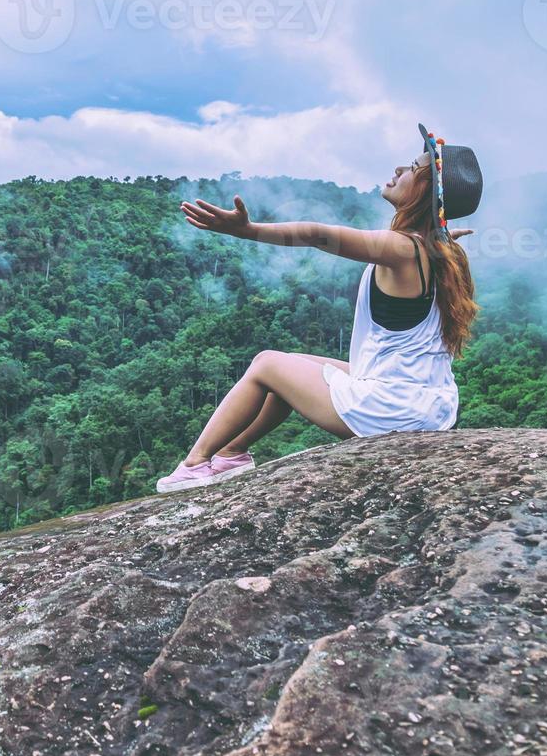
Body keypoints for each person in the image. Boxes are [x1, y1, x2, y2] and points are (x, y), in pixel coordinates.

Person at [157, 123, 484, 493]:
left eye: (412, 167)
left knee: (267, 362)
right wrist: (442, 241)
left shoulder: (403, 249)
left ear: (425, 192)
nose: (399, 169)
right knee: (293, 364)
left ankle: (195, 463)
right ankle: (232, 453)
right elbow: (430, 254)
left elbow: (316, 234)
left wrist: (248, 231)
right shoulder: (442, 252)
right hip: (430, 406)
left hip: (393, 411)